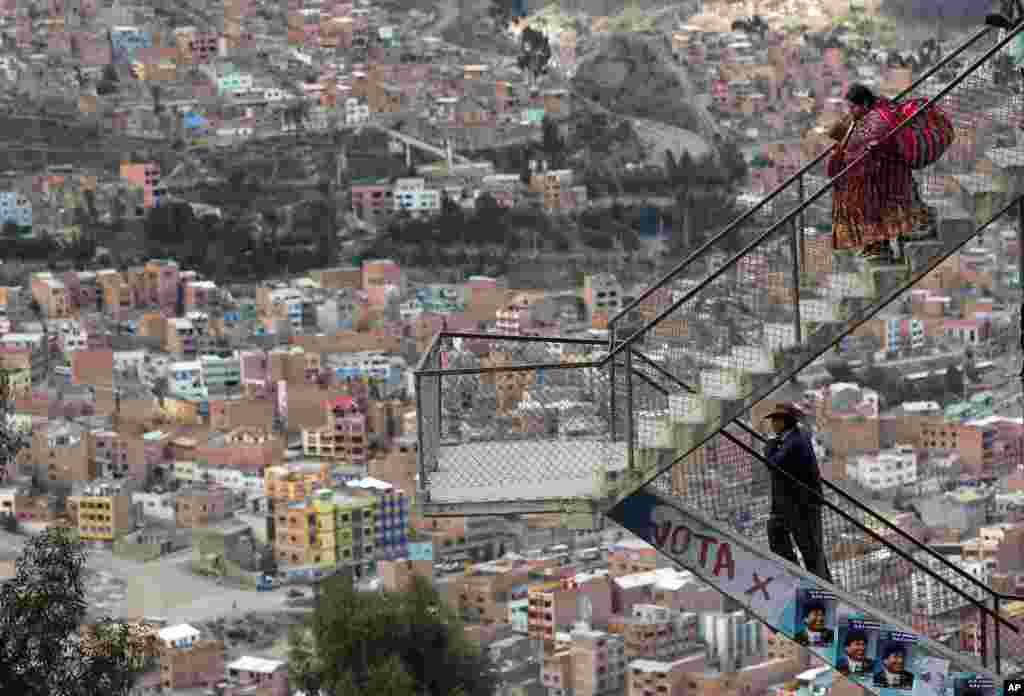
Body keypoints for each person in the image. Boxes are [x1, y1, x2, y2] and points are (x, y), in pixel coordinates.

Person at [827, 84, 933, 265]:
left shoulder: (881, 117)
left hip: (889, 172)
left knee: (894, 209)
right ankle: (879, 245)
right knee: (877, 211)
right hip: (877, 174)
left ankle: (914, 231)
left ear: (865, 103)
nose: (851, 111)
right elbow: (842, 136)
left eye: (853, 107)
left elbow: (876, 139)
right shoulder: (868, 116)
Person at [763, 403, 833, 583]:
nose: (773, 424)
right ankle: (799, 577)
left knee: (811, 551)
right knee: (777, 531)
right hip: (792, 506)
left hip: (803, 507)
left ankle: (823, 591)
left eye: (777, 420)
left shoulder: (795, 441)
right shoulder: (793, 438)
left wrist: (770, 444)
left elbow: (773, 464)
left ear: (786, 422)